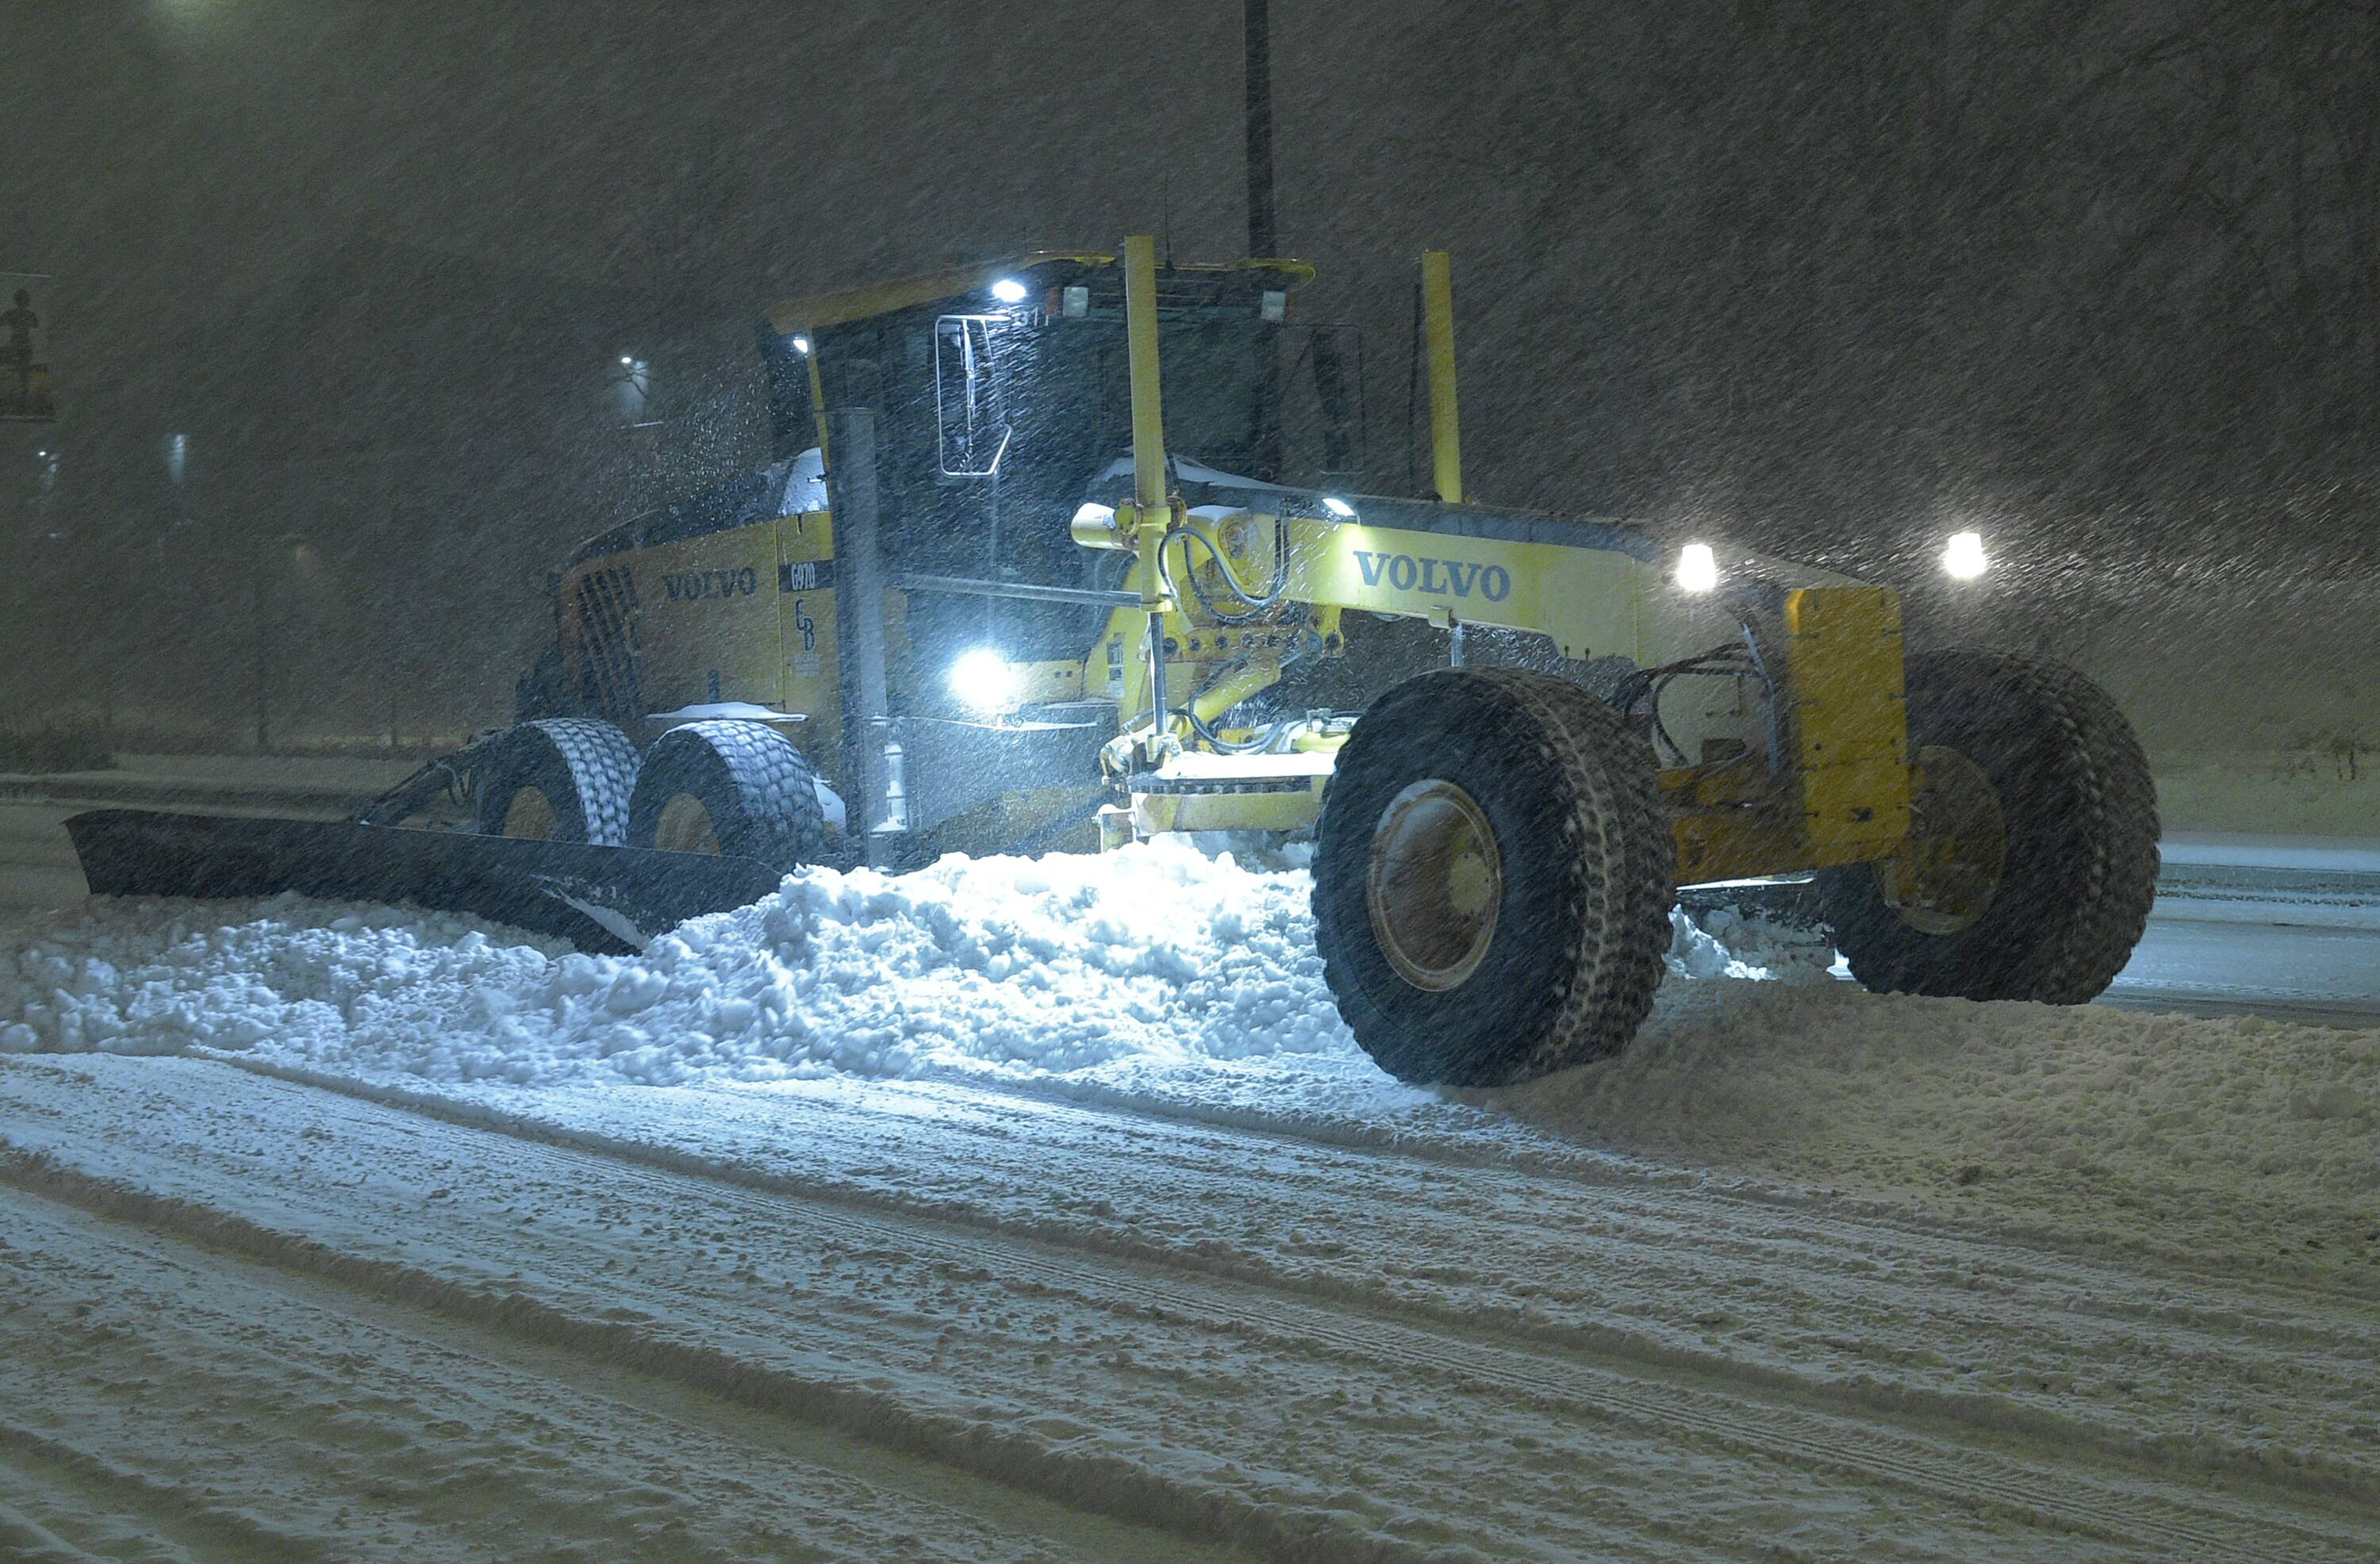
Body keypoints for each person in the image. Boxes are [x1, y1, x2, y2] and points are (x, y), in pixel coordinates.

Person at [4, 289, 38, 368]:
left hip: (18, 344)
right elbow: (35, 325)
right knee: (23, 366)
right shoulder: (30, 315)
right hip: (23, 344)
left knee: (21, 365)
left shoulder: (11, 314)